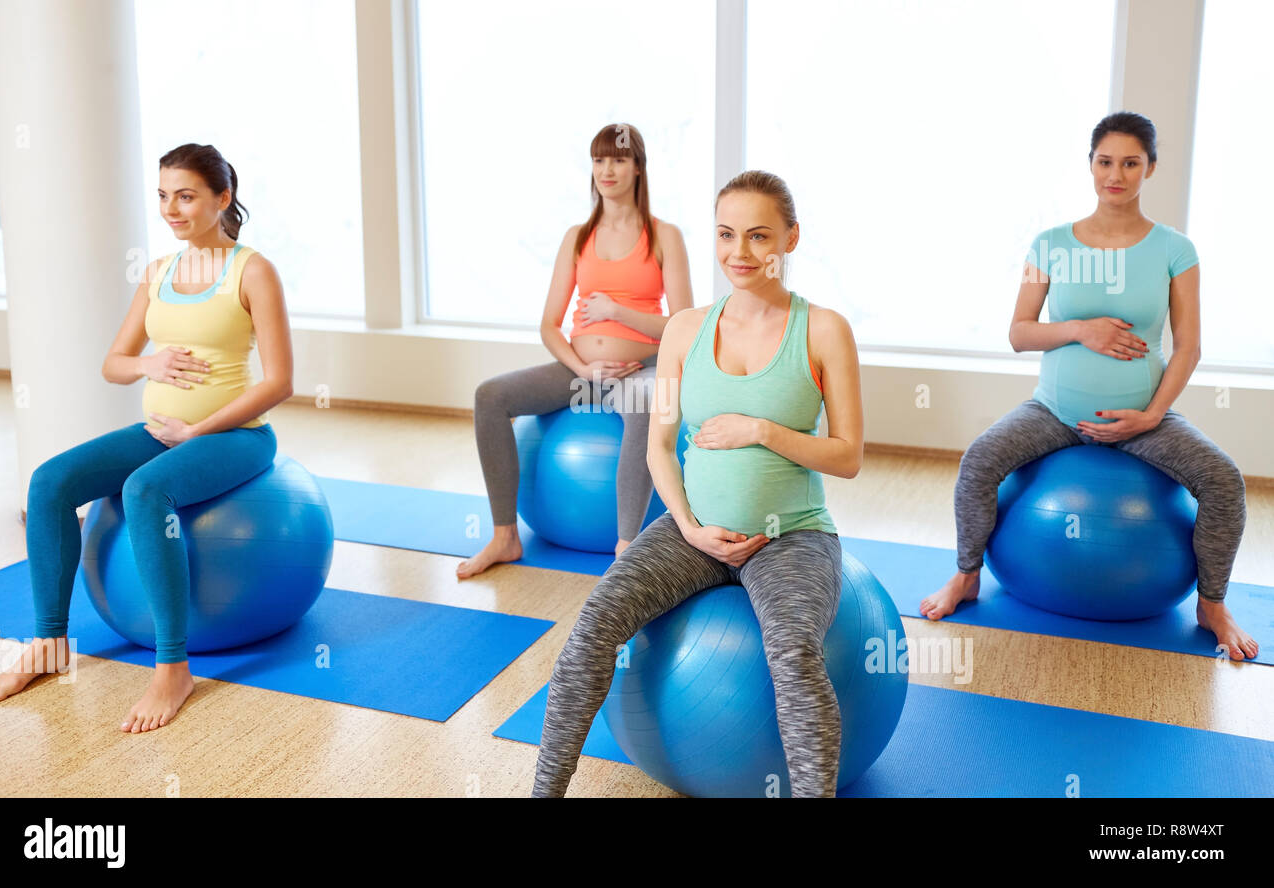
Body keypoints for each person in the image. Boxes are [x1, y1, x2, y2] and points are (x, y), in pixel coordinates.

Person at [532, 170, 864, 797]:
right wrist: (689, 527)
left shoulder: (823, 329)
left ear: (791, 238)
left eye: (759, 236)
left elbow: (848, 456)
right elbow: (659, 445)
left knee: (793, 655)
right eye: (726, 235)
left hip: (790, 536)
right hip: (692, 530)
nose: (740, 253)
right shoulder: (685, 329)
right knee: (594, 623)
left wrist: (762, 429)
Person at [0, 143, 296, 727]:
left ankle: (173, 669)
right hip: (159, 430)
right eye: (162, 196)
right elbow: (114, 362)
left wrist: (197, 429)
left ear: (222, 198)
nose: (170, 209)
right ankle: (50, 643)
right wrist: (148, 365)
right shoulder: (158, 273)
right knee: (49, 481)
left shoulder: (252, 270)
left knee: (146, 492)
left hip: (237, 436)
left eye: (185, 195)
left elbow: (280, 382)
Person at [920, 111, 1257, 661]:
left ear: (1150, 168)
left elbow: (1189, 347)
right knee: (980, 461)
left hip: (1139, 417)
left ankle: (1211, 604)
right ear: (1090, 165)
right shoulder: (1048, 244)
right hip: (1053, 411)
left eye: (1130, 162)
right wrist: (1081, 329)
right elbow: (1019, 333)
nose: (1115, 174)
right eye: (1105, 161)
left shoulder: (1176, 250)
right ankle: (966, 575)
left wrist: (1151, 417)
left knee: (1223, 482)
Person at [457, 123, 693, 578]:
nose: (607, 169)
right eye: (599, 160)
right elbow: (549, 325)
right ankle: (505, 535)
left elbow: (684, 325)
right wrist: (583, 367)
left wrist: (618, 313)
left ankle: (626, 550)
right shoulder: (577, 237)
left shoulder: (665, 236)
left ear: (638, 168)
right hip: (581, 369)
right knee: (491, 396)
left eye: (619, 159)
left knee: (645, 410)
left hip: (637, 368)